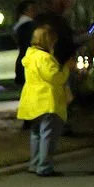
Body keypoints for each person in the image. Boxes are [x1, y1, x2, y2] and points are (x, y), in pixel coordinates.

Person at [19, 25, 70, 176]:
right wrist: (66, 68)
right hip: (47, 100)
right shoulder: (45, 58)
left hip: (32, 100)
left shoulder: (30, 56)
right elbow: (55, 77)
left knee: (36, 134)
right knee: (48, 134)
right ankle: (44, 166)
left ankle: (34, 164)